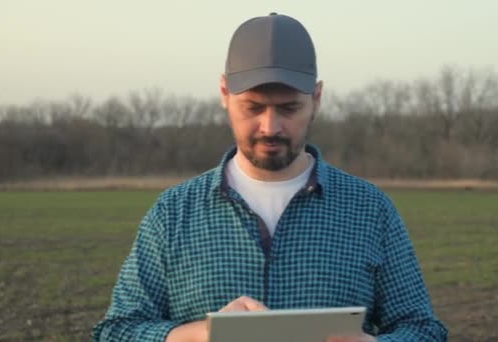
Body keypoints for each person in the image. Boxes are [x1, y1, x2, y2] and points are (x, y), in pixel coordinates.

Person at [92, 13, 447, 342]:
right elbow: (116, 330)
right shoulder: (172, 213)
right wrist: (200, 335)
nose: (270, 127)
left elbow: (423, 329)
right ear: (224, 95)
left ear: (317, 99)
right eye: (254, 107)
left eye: (289, 108)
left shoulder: (370, 210)